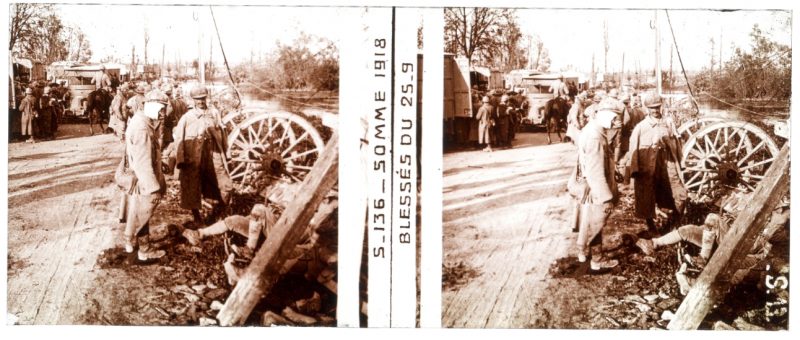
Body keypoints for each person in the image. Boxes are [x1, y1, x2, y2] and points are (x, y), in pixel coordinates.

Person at [165, 86, 233, 225]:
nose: (201, 102)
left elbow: (223, 134)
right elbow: (179, 139)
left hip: (213, 154)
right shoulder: (187, 117)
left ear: (206, 98)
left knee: (224, 184)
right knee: (192, 186)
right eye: (197, 99)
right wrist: (181, 159)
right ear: (193, 100)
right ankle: (197, 218)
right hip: (193, 157)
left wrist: (227, 154)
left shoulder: (214, 113)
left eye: (203, 99)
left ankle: (219, 212)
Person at [622, 93, 687, 231]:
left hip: (666, 164)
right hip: (647, 168)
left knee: (679, 193)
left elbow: (677, 144)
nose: (656, 111)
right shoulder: (641, 127)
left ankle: (674, 222)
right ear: (647, 109)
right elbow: (633, 149)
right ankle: (651, 226)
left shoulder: (668, 123)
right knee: (646, 196)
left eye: (657, 107)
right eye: (652, 108)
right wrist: (632, 172)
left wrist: (680, 162)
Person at [123, 91, 170, 265]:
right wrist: (154, 187)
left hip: (140, 176)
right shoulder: (142, 127)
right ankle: (144, 250)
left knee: (137, 210)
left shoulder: (142, 121)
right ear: (150, 105)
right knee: (144, 212)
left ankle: (131, 241)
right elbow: (143, 161)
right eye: (161, 109)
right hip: (144, 179)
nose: (163, 113)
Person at [575, 109, 620, 273]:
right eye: (615, 120)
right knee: (597, 222)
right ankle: (597, 260)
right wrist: (606, 197)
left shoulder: (592, 130)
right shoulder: (595, 138)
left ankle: (583, 251)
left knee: (588, 220)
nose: (617, 123)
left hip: (589, 184)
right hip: (596, 187)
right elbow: (595, 170)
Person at [182, 204, 277, 260]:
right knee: (234, 220)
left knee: (259, 208)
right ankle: (200, 234)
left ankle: (249, 250)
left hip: (280, 235)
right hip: (270, 225)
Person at [598, 89, 628, 162]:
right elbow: (627, 118)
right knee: (617, 144)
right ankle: (615, 161)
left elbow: (597, 114)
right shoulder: (621, 104)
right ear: (617, 95)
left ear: (609, 94)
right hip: (617, 126)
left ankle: (605, 160)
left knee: (605, 142)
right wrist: (622, 125)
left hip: (604, 126)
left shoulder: (602, 103)